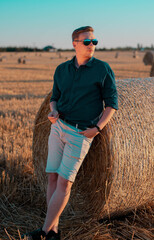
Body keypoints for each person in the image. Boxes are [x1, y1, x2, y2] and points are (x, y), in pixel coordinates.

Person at [21, 26, 118, 240]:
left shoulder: (103, 69)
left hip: (80, 134)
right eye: (87, 42)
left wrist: (97, 128)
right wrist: (53, 111)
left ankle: (44, 232)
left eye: (95, 41)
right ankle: (53, 230)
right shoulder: (61, 70)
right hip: (58, 128)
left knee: (65, 182)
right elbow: (54, 97)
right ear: (74, 44)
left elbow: (111, 104)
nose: (91, 45)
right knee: (52, 178)